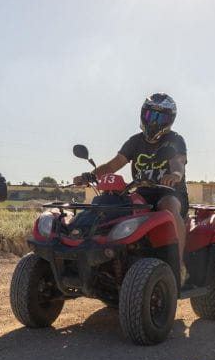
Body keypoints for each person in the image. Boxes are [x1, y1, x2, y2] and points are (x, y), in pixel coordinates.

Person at [73, 93, 189, 263]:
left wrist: (175, 175)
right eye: (150, 115)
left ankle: (179, 265)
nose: (154, 121)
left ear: (169, 120)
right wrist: (90, 176)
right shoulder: (135, 141)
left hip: (171, 193)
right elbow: (112, 166)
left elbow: (178, 162)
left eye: (160, 117)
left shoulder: (175, 140)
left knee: (168, 206)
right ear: (143, 114)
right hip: (141, 194)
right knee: (114, 209)